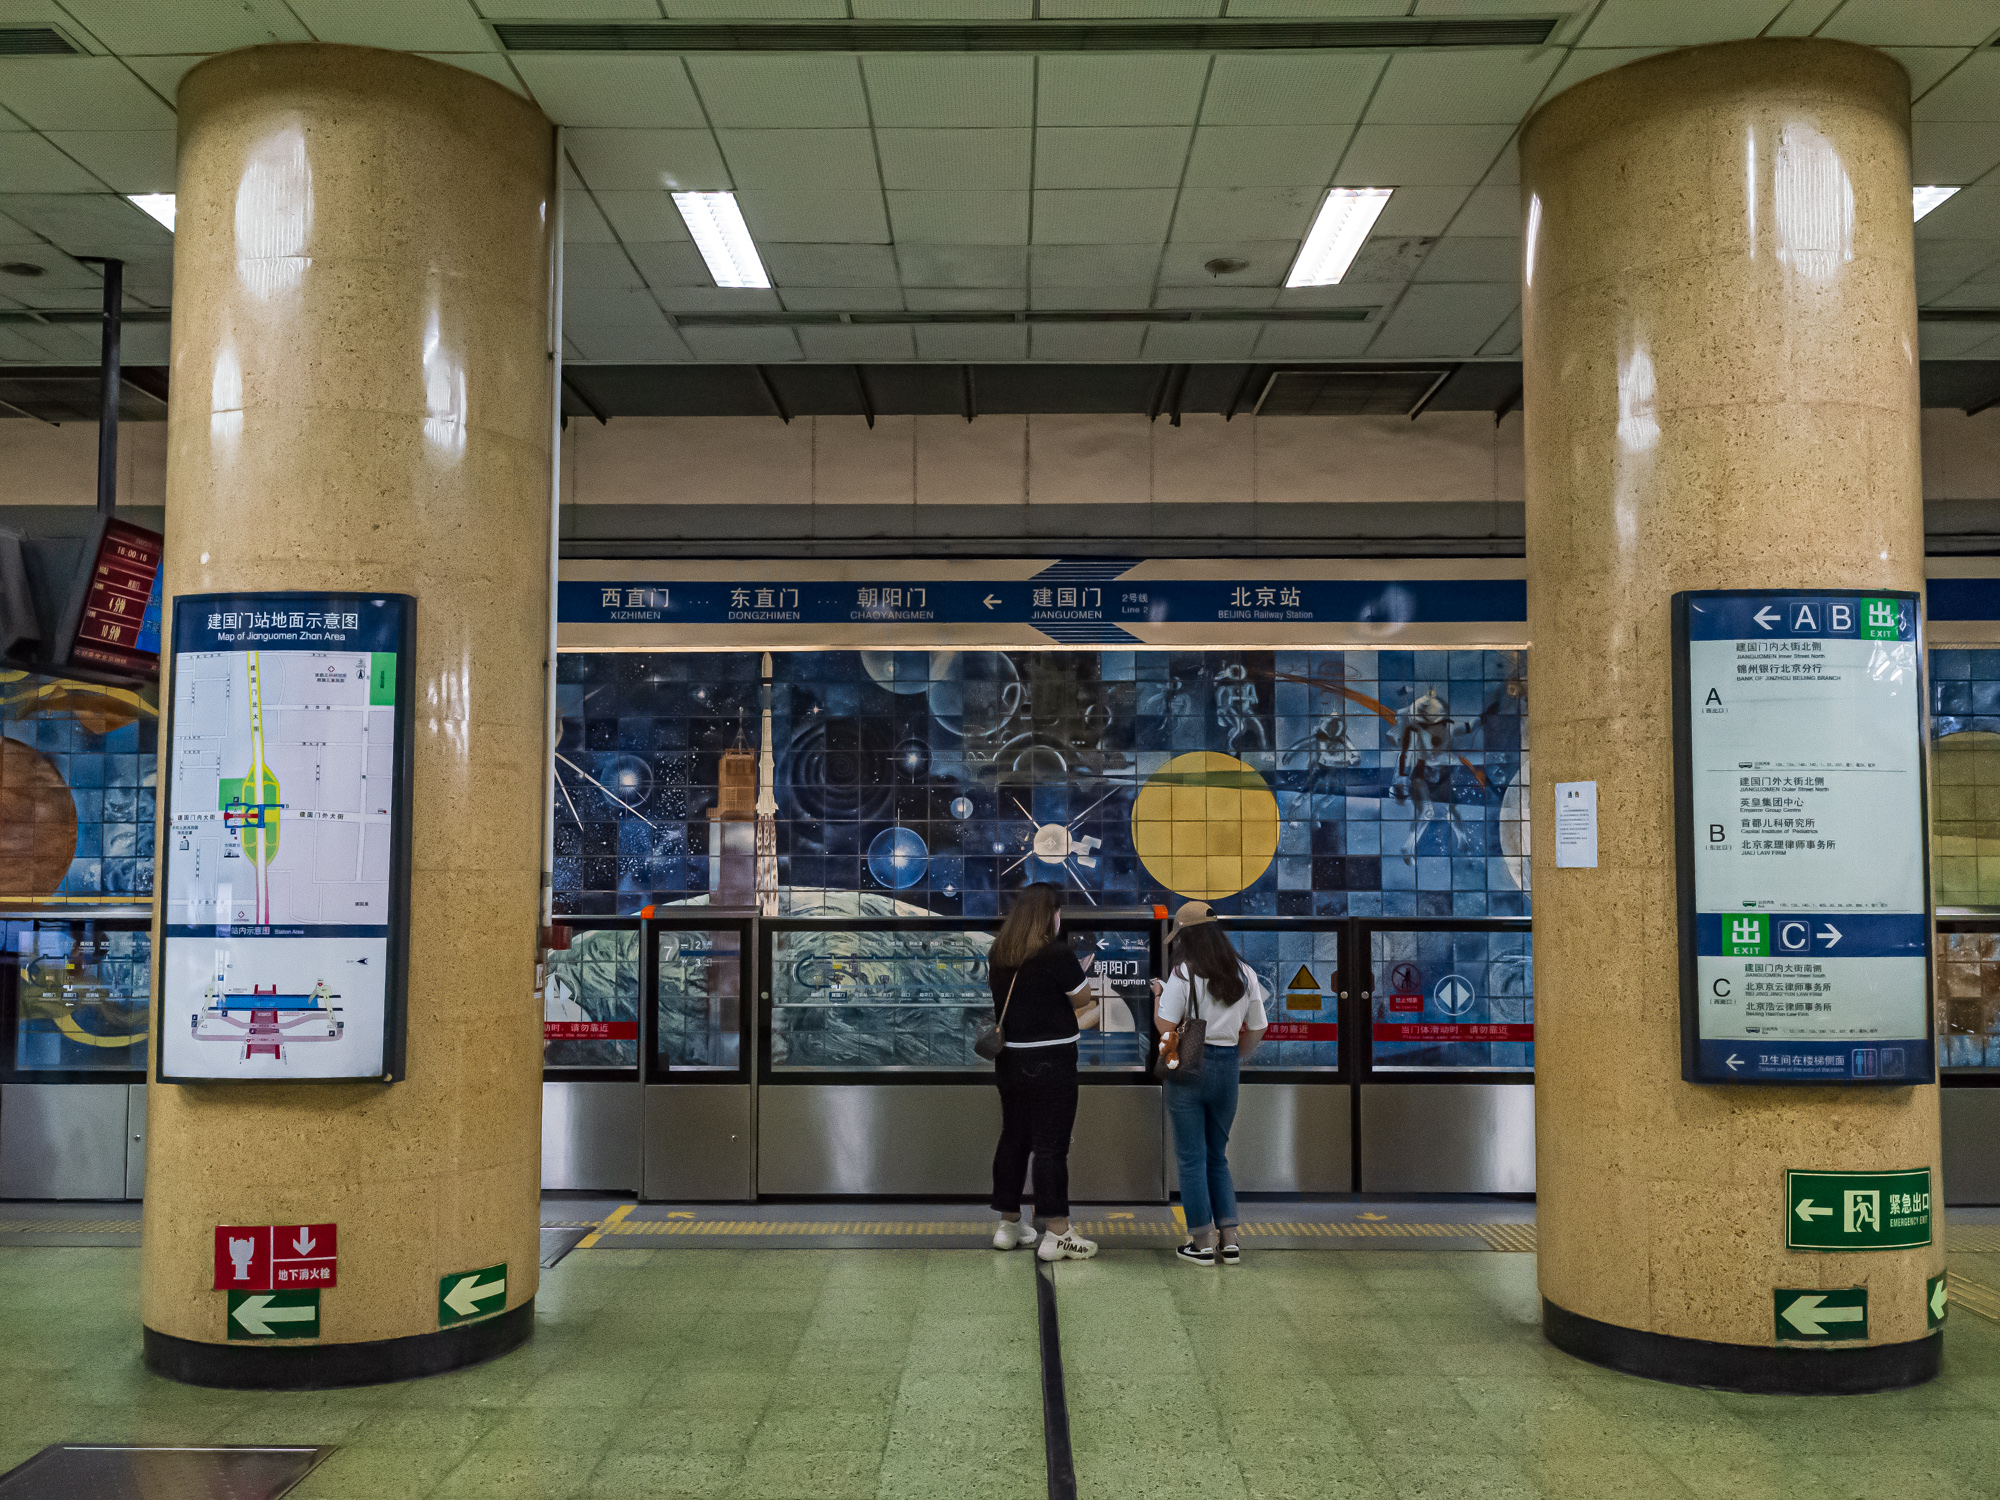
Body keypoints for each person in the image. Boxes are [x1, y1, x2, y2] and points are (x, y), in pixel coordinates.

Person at [986, 882, 1100, 1262]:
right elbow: (1083, 999)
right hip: (1053, 1062)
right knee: (1052, 1146)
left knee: (1013, 1139)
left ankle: (1008, 1225)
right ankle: (1058, 1233)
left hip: (1011, 1063)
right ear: (1050, 914)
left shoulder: (999, 953)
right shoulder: (1056, 954)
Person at [1150, 902, 1268, 1267]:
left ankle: (1201, 1242)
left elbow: (1167, 1028)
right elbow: (1259, 1027)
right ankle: (1229, 1241)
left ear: (1186, 936)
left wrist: (1158, 995)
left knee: (1191, 1159)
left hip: (1190, 1066)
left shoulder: (1183, 974)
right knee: (1217, 1156)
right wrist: (1236, 1055)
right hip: (1227, 1066)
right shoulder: (1244, 972)